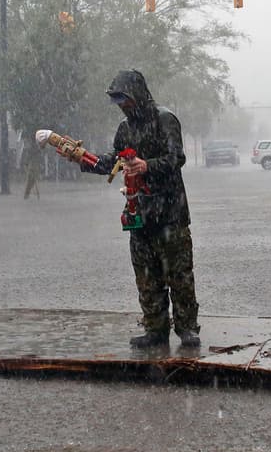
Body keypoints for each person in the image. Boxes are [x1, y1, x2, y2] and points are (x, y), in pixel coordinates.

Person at [81, 70, 200, 350]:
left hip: (170, 212)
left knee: (179, 274)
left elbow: (176, 157)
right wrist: (87, 161)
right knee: (147, 276)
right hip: (140, 213)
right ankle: (155, 329)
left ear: (138, 95)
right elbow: (115, 160)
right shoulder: (125, 128)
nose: (122, 105)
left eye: (125, 98)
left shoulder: (165, 119)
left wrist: (147, 165)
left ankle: (187, 329)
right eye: (117, 100)